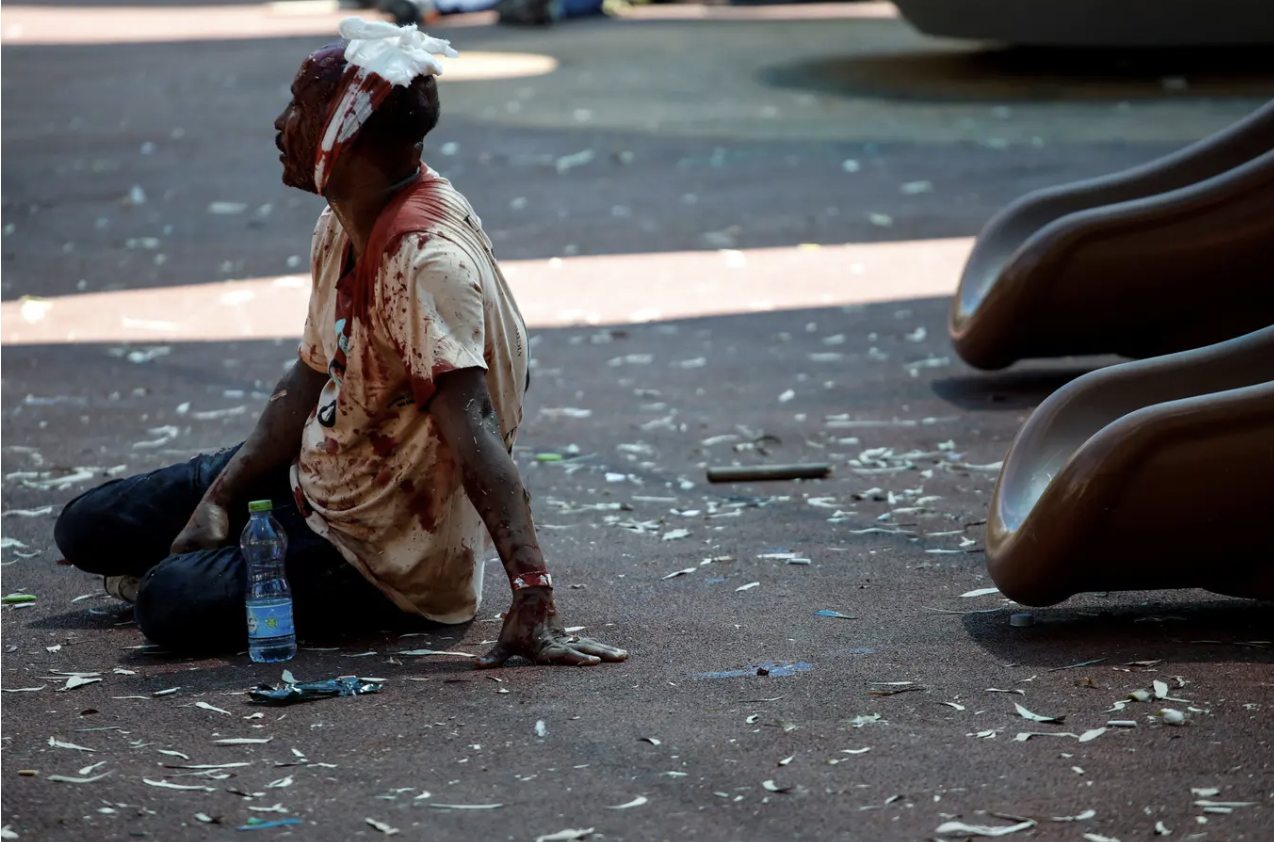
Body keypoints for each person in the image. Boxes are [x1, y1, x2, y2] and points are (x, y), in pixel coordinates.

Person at [53, 18, 628, 670]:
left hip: (380, 554)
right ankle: (227, 546)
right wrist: (217, 500)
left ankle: (238, 572)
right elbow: (307, 377)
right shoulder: (343, 218)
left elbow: (478, 433)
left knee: (165, 601)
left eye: (299, 107)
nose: (279, 124)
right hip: (317, 472)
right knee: (86, 525)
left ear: (343, 136)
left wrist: (533, 595)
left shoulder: (421, 259)